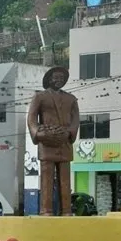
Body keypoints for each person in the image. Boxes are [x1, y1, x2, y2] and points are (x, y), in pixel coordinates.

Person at [27, 66, 80, 216]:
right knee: (47, 178)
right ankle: (46, 211)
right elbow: (31, 119)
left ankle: (66, 211)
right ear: (49, 79)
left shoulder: (71, 99)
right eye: (56, 78)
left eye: (62, 78)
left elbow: (76, 119)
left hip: (64, 142)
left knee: (65, 179)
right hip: (47, 142)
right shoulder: (40, 97)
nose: (59, 81)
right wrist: (39, 133)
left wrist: (69, 132)